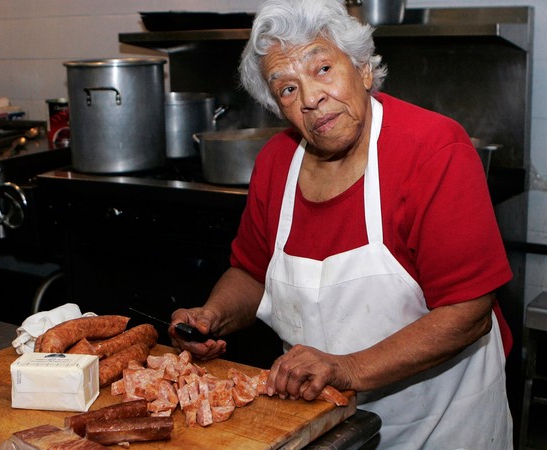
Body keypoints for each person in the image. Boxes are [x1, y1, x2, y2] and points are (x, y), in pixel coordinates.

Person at [169, 0, 514, 448]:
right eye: (287, 89)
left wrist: (347, 368)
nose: (311, 98)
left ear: (364, 69)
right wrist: (212, 316)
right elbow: (252, 271)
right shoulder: (277, 163)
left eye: (324, 69)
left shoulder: (432, 150)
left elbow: (468, 314)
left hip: (444, 421)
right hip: (329, 426)